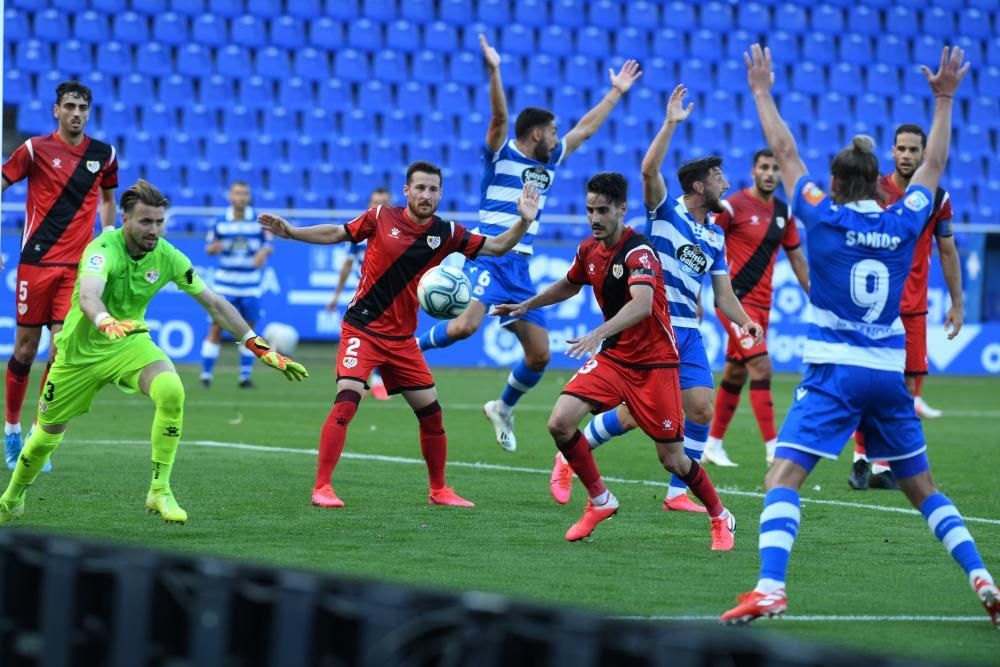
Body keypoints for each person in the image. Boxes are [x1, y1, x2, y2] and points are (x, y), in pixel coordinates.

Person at [721, 45, 999, 629]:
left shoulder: (822, 216)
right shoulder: (904, 220)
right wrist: (944, 98)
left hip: (834, 373)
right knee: (923, 488)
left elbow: (786, 151)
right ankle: (982, 576)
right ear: (877, 180)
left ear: (835, 184)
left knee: (782, 478)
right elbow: (934, 169)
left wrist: (762, 92)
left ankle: (771, 586)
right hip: (887, 373)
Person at [0, 180, 307, 524]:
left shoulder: (168, 255)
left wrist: (259, 346)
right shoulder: (102, 248)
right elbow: (88, 296)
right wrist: (105, 321)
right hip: (79, 354)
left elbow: (215, 304)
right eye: (146, 222)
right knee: (43, 440)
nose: (154, 229)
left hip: (129, 342)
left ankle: (159, 489)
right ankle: (12, 498)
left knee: (172, 390)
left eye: (160, 222)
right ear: (125, 219)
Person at [259, 162, 540, 509]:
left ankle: (439, 491)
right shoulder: (380, 217)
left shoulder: (448, 232)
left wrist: (525, 220)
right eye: (419, 188)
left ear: (440, 194)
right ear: (406, 191)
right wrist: (292, 231)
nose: (426, 195)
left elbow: (496, 247)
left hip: (402, 340)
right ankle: (322, 487)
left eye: (433, 189)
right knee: (348, 400)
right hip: (362, 328)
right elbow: (336, 233)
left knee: (432, 413)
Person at [417, 34, 642, 453]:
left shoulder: (550, 161)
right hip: (488, 254)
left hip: (519, 267)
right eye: (553, 131)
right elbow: (499, 116)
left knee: (539, 356)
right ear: (536, 133)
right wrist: (495, 70)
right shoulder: (500, 155)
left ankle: (502, 407)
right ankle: (406, 350)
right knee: (465, 325)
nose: (560, 137)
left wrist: (615, 92)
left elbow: (586, 129)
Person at [493, 173, 736, 548]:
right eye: (590, 210)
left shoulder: (639, 251)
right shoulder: (589, 249)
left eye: (603, 210)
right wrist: (527, 304)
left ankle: (720, 515)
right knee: (559, 423)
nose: (595, 218)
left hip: (656, 365)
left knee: (673, 460)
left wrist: (597, 333)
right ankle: (600, 500)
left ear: (621, 209)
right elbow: (571, 283)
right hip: (616, 359)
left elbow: (641, 305)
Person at [550, 85, 763, 513]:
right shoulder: (667, 212)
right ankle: (568, 456)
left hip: (688, 332)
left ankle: (676, 494)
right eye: (721, 178)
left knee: (700, 409)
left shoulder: (716, 235)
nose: (728, 184)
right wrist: (670, 123)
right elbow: (649, 170)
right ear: (700, 186)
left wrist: (745, 320)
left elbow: (723, 295)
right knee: (642, 414)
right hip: (651, 330)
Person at [2, 81, 119, 470]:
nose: (76, 113)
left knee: (58, 351)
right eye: (69, 106)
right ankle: (12, 429)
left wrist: (107, 239)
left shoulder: (104, 154)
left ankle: (39, 433)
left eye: (83, 107)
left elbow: (107, 198)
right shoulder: (35, 149)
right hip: (34, 264)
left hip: (75, 269)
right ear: (56, 110)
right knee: (24, 350)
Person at [847, 123, 963, 491]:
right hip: (873, 306)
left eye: (915, 150)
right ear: (892, 152)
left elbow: (947, 251)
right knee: (868, 380)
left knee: (908, 384)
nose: (907, 155)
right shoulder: (874, 192)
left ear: (925, 153)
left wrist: (957, 302)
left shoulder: (937, 198)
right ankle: (862, 457)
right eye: (901, 149)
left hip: (912, 308)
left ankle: (882, 464)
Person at [705, 149, 810, 467]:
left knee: (737, 372)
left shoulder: (783, 212)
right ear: (753, 171)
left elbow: (797, 260)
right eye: (764, 167)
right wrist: (695, 295)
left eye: (776, 168)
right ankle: (773, 448)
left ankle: (712, 444)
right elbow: (704, 245)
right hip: (733, 302)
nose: (770, 173)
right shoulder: (732, 206)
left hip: (763, 305)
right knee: (762, 367)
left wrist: (819, 299)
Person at [199, 180, 273, 389]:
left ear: (248, 197)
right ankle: (206, 376)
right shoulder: (220, 221)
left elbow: (269, 245)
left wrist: (263, 252)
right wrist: (215, 248)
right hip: (225, 284)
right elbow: (208, 248)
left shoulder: (259, 221)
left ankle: (244, 377)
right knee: (215, 328)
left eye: (245, 194)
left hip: (250, 284)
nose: (241, 197)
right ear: (230, 196)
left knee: (249, 329)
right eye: (237, 193)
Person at [327, 187, 392, 400]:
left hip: (393, 295)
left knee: (385, 338)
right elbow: (347, 266)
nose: (378, 206)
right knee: (364, 335)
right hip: (365, 296)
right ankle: (364, 379)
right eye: (375, 202)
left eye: (383, 202)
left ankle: (375, 380)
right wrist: (336, 296)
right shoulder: (360, 231)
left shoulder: (398, 233)